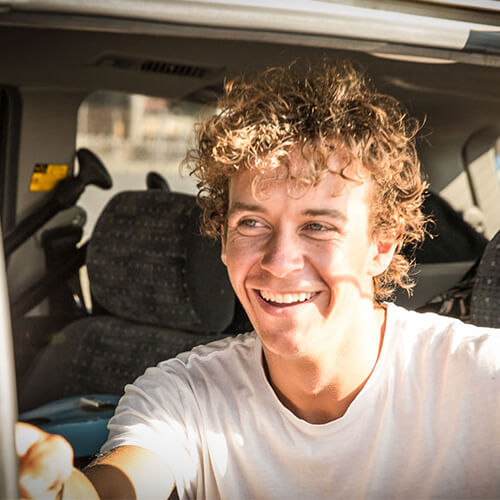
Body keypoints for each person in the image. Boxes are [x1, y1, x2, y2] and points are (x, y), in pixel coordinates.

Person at [17, 60, 500, 499]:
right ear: (223, 241)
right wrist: (58, 490)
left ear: (381, 247)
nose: (280, 260)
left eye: (318, 226)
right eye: (252, 223)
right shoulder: (184, 393)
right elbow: (122, 483)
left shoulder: (480, 380)